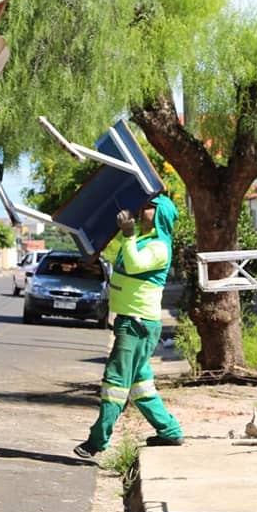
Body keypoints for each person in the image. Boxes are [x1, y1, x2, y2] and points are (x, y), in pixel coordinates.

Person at [74, 193, 184, 459]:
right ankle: (169, 431)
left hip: (137, 323)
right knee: (140, 384)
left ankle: (97, 440)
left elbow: (134, 266)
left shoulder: (159, 247)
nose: (142, 209)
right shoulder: (144, 240)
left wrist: (128, 234)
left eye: (149, 207)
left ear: (160, 215)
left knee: (115, 381)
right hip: (133, 321)